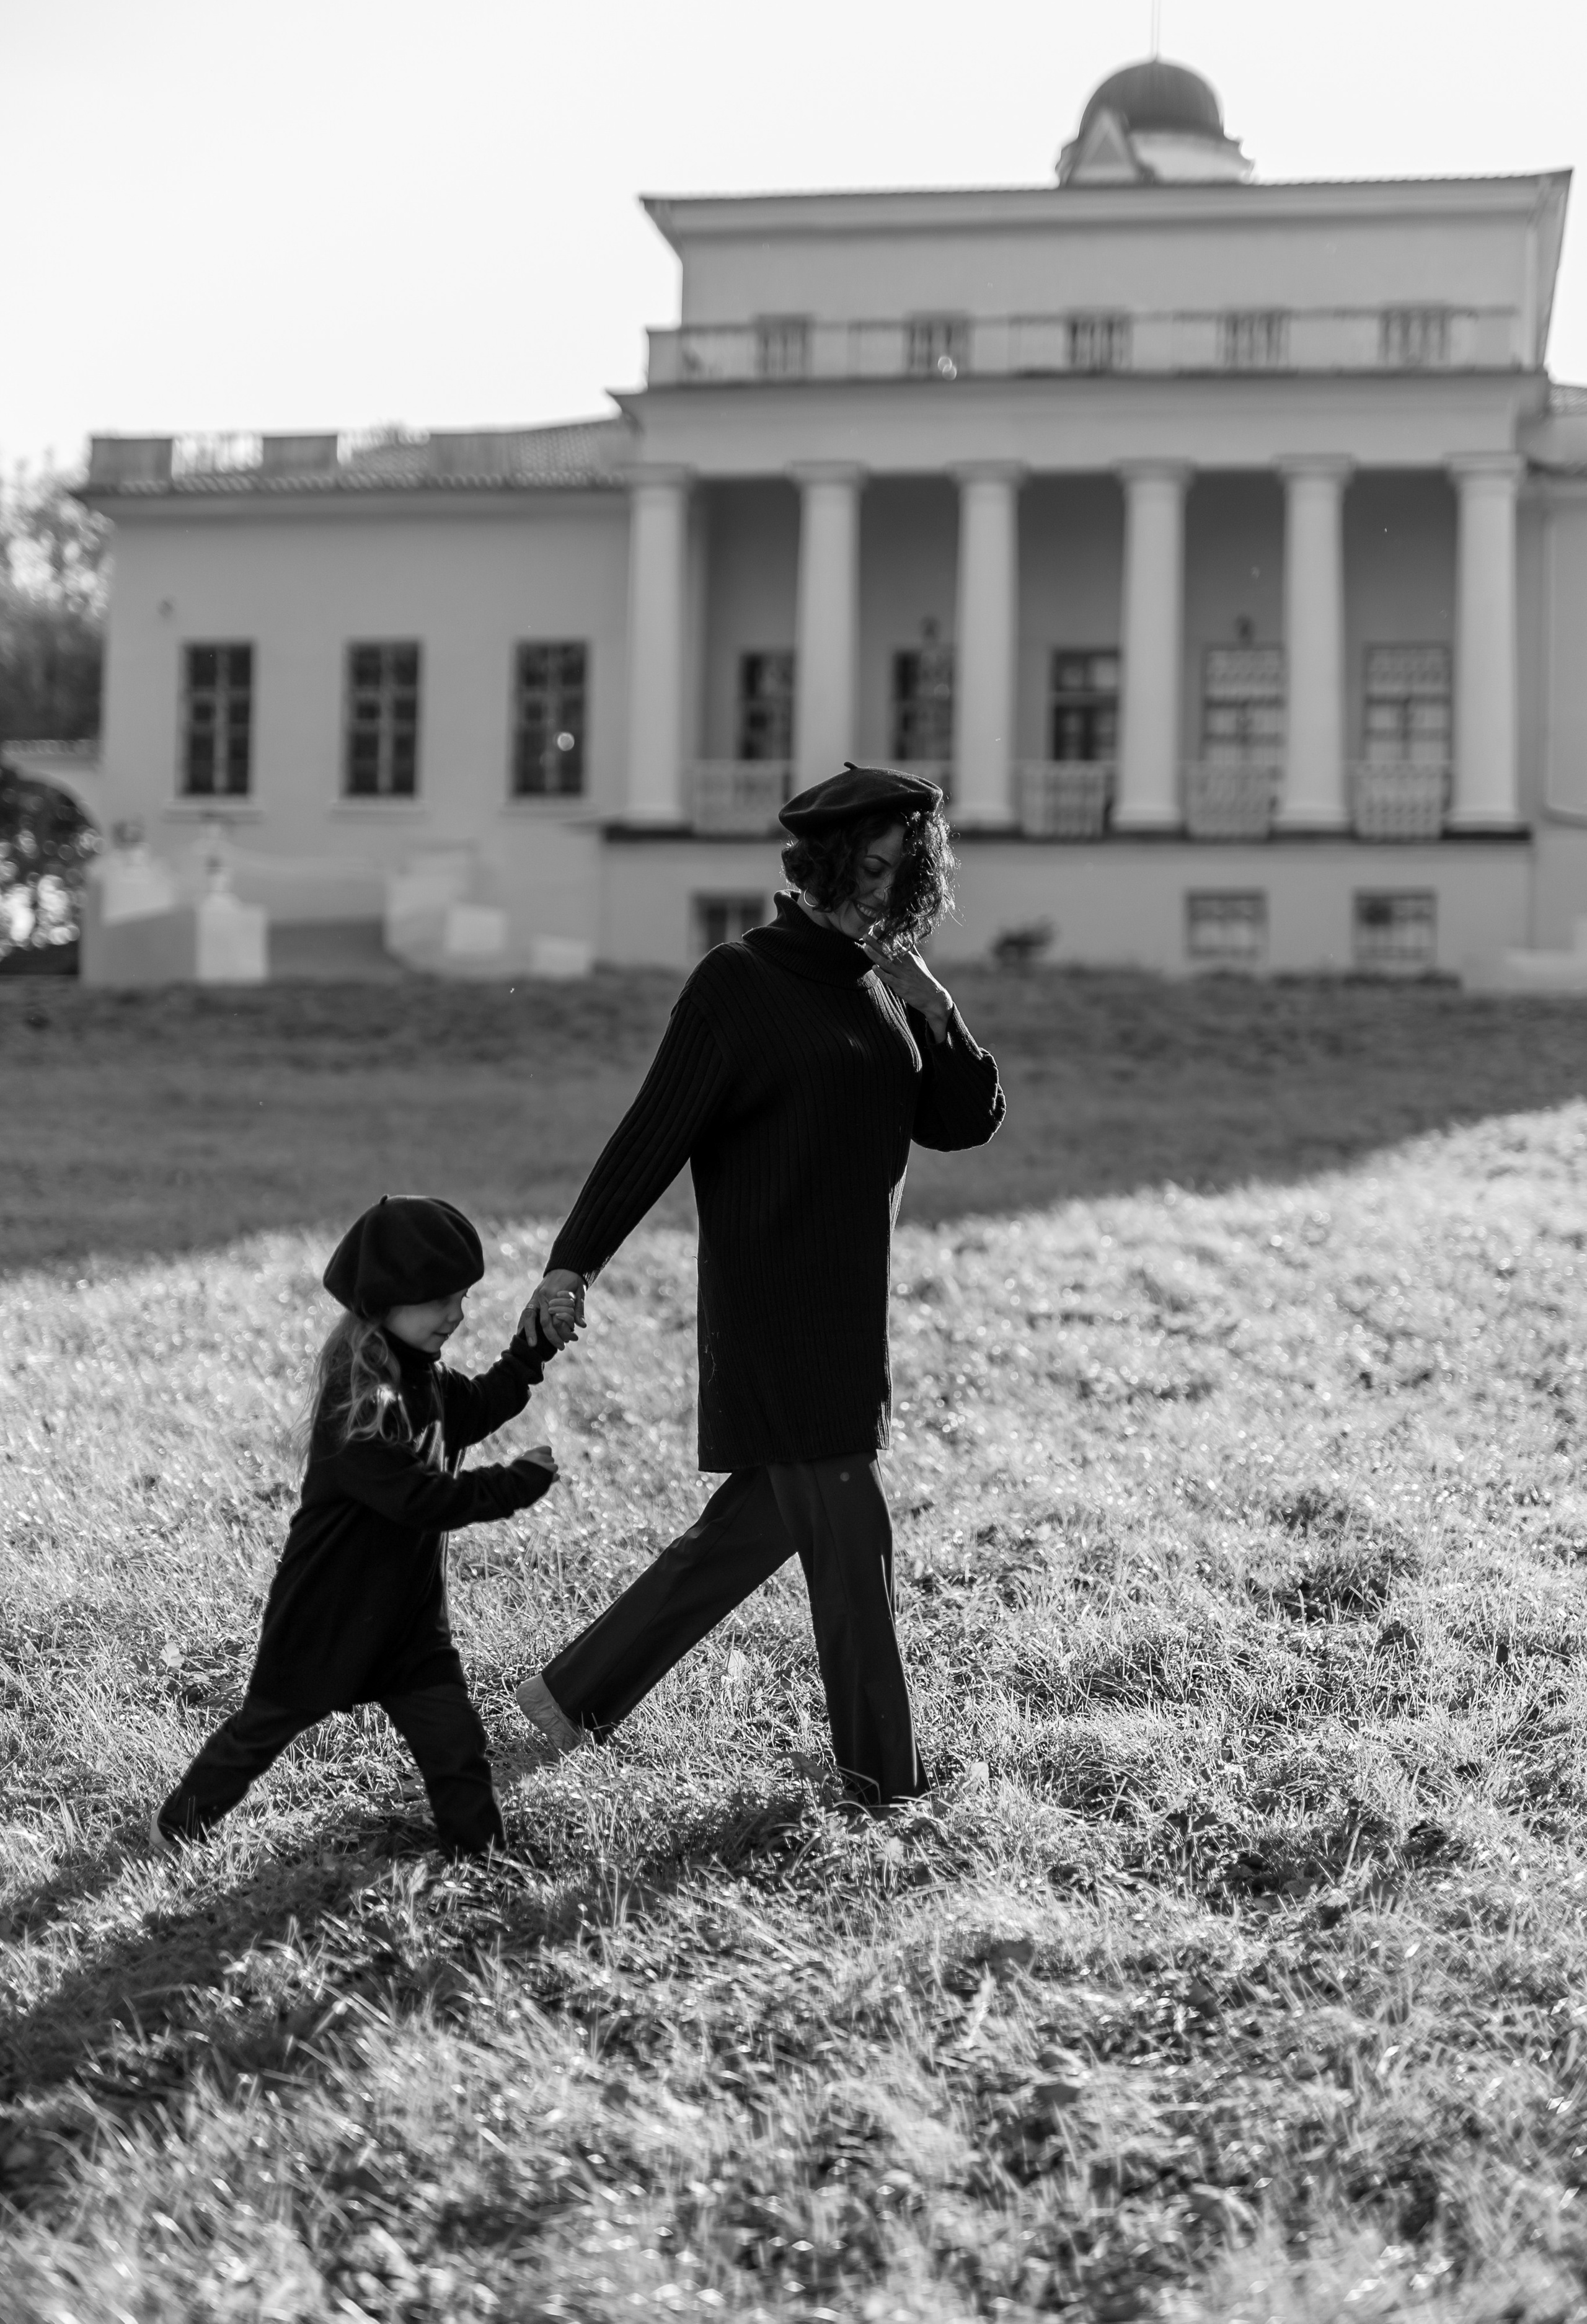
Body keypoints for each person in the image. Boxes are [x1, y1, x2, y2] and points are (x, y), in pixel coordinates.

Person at [515, 763, 1005, 1806]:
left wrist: (933, 1002)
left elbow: (963, 1120)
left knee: (762, 1523)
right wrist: (573, 1263)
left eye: (903, 869)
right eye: (869, 867)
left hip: (848, 1305)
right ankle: (885, 1782)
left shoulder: (881, 984)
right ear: (823, 863)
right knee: (850, 1526)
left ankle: (574, 1697)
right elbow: (651, 1135)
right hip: (773, 1306)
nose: (884, 890)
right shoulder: (738, 983)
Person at [154, 1195, 559, 1859]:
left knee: (455, 1744)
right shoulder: (358, 1406)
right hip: (327, 1615)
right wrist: (513, 1484)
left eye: (461, 1298)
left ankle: (479, 1858)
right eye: (438, 1301)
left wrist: (530, 1351)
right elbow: (422, 1500)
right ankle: (176, 1828)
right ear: (386, 1300)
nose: (455, 1315)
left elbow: (480, 1404)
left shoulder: (425, 1379)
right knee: (260, 1732)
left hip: (406, 1624)